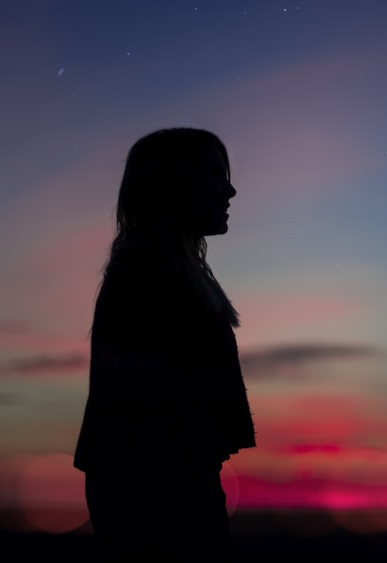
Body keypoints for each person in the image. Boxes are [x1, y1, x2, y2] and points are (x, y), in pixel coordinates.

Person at [73, 128, 255, 562]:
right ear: (175, 183)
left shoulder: (164, 268)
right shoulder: (147, 271)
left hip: (169, 479)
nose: (230, 190)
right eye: (215, 176)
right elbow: (141, 395)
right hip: (156, 486)